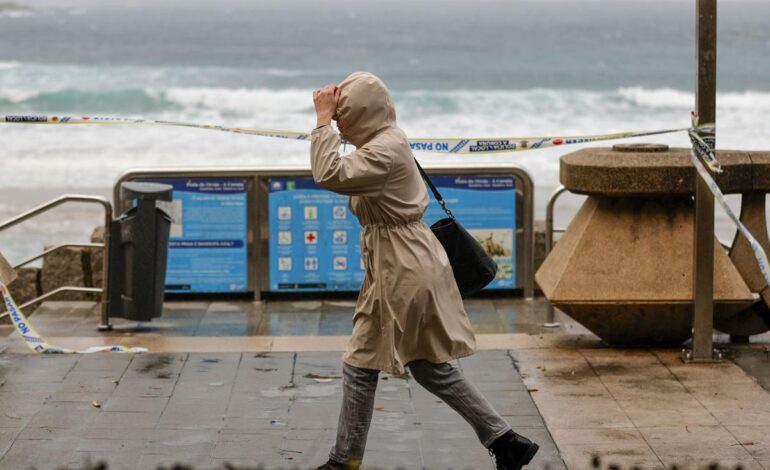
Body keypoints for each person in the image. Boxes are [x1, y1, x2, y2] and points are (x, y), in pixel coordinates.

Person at [310, 72, 539, 470]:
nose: (340, 121)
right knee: (426, 363)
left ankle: (343, 461)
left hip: (403, 266)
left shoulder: (384, 150)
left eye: (345, 113)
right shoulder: (385, 141)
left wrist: (321, 121)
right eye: (338, 114)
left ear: (365, 113)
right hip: (401, 262)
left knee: (361, 364)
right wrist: (330, 122)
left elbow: (329, 174)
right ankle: (506, 441)